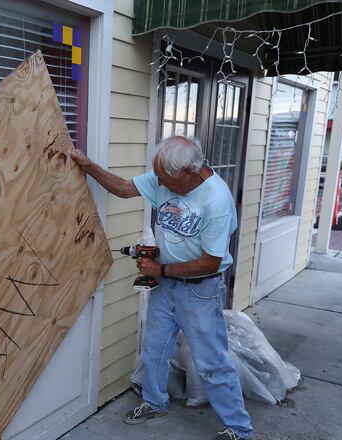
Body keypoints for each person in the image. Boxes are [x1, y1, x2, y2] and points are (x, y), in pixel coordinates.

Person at [70, 136, 253, 440]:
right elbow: (125, 188)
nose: (160, 184)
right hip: (165, 286)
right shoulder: (165, 176)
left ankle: (239, 428)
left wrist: (161, 268)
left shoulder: (216, 200)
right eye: (159, 177)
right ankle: (155, 402)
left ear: (189, 172)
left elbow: (210, 262)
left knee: (211, 361)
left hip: (199, 291)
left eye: (166, 179)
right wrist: (88, 166)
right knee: (154, 348)